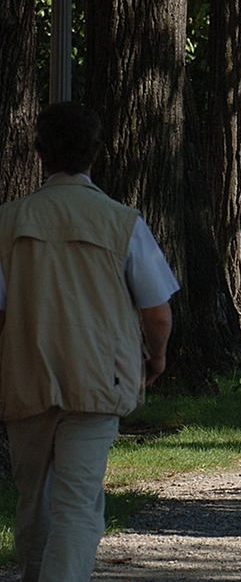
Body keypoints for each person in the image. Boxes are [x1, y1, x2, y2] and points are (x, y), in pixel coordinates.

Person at [0, 102, 178, 581]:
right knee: (78, 502)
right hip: (99, 377)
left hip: (25, 377)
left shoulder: (7, 222)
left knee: (32, 499)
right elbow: (157, 311)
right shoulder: (122, 222)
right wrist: (155, 358)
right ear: (95, 154)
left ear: (41, 153)